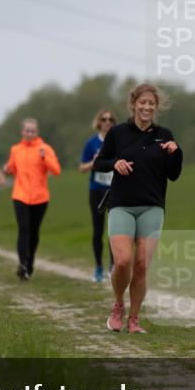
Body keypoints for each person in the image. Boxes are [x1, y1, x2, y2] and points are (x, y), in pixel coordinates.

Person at [93, 83, 183, 334]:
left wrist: (176, 153)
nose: (146, 107)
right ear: (133, 104)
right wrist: (115, 163)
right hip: (121, 204)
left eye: (151, 104)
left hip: (152, 206)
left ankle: (134, 319)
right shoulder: (117, 133)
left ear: (156, 107)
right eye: (142, 103)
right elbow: (99, 163)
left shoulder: (164, 135)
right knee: (122, 262)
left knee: (142, 264)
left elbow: (174, 174)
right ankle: (118, 306)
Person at [4, 118, 61, 280]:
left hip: (40, 197)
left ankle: (30, 263)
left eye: (33, 131)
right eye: (27, 130)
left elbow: (56, 170)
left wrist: (45, 158)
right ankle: (22, 264)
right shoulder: (15, 149)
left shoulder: (45, 148)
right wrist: (7, 169)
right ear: (22, 132)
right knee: (23, 229)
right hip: (20, 195)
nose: (30, 133)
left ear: (37, 132)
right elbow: (12, 168)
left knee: (34, 232)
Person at [79, 109, 117, 282]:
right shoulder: (91, 143)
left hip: (115, 189)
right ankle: (98, 267)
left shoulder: (118, 141)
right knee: (98, 230)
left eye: (110, 119)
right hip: (97, 189)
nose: (107, 121)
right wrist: (93, 163)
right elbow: (81, 168)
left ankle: (113, 266)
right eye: (104, 119)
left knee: (114, 230)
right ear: (99, 122)